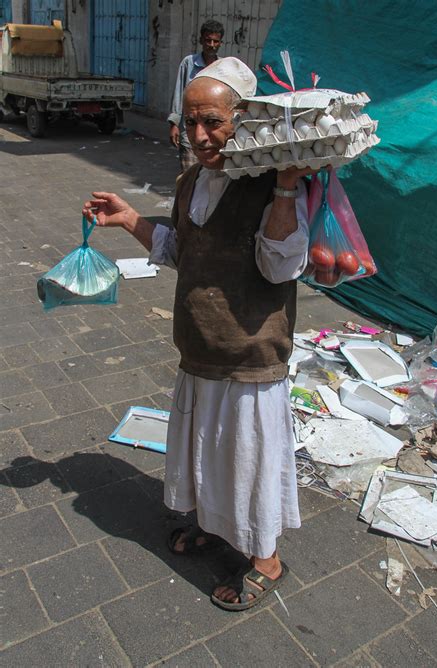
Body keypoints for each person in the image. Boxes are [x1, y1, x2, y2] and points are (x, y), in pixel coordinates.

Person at [83, 57, 317, 611]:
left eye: (212, 121)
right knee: (208, 455)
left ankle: (267, 560)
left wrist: (286, 187)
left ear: (243, 119)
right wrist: (130, 219)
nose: (199, 135)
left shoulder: (269, 182)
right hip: (199, 347)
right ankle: (216, 524)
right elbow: (180, 252)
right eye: (190, 123)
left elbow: (283, 266)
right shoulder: (192, 180)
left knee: (247, 461)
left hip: (249, 354)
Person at [168, 19, 224, 173]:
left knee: (209, 176)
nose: (211, 45)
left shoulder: (222, 67)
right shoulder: (189, 63)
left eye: (215, 41)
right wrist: (174, 123)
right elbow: (180, 92)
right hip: (189, 132)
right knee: (189, 176)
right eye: (208, 40)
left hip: (212, 135)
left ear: (220, 43)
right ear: (201, 40)